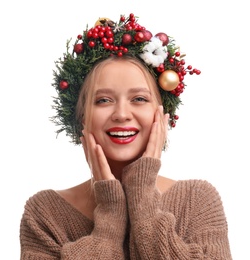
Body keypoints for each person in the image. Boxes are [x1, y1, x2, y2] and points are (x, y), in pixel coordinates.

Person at [19, 13, 232, 259]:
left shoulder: (198, 200)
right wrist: (110, 217)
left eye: (139, 99)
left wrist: (142, 197)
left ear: (163, 114)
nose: (121, 114)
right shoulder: (45, 213)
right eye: (103, 100)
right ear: (81, 118)